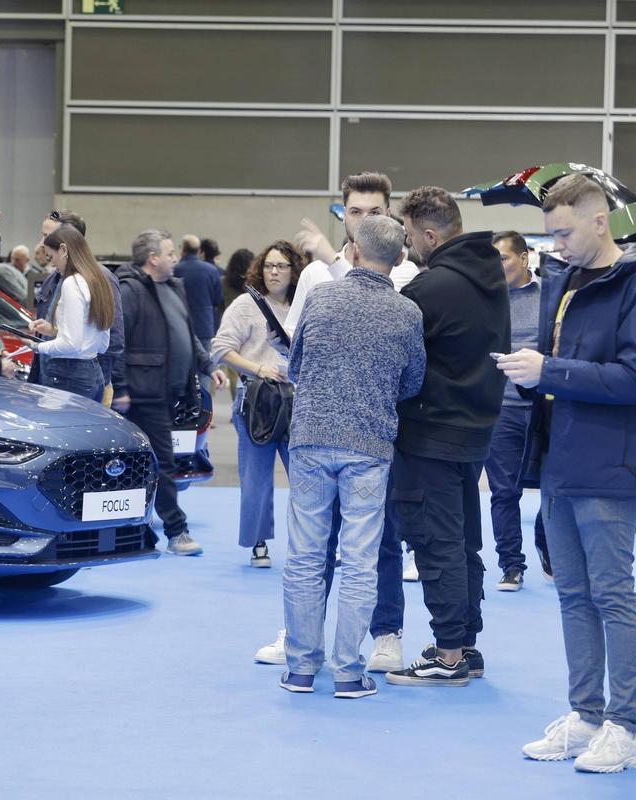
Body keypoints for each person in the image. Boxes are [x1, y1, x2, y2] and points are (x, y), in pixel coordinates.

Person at [500, 175, 636, 773]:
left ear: (600, 222)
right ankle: (586, 715)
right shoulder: (563, 282)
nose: (554, 245)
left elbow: (631, 378)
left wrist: (549, 371)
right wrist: (531, 373)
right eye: (549, 235)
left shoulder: (630, 284)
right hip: (557, 464)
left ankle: (626, 725)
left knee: (613, 598)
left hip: (610, 469)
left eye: (563, 233)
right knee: (573, 597)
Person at [278, 215, 426, 699]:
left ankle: (301, 668)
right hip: (369, 446)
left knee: (305, 556)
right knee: (361, 562)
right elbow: (413, 382)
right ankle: (347, 671)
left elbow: (296, 363)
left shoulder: (321, 296)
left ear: (354, 250)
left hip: (311, 439)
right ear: (400, 258)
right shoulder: (407, 312)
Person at [383, 186, 509, 688]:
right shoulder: (491, 276)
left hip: (430, 433)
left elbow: (396, 358)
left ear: (431, 235)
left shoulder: (429, 288)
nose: (410, 244)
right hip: (474, 431)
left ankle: (449, 654)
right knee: (463, 543)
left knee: (436, 543)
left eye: (411, 234)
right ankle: (465, 644)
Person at [112, 229, 228, 556]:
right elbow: (117, 342)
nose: (175, 258)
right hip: (142, 393)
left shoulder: (174, 287)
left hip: (170, 393)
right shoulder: (130, 291)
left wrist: (209, 366)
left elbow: (188, 336)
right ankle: (177, 531)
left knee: (151, 464)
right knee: (160, 463)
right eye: (169, 253)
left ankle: (139, 530)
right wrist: (121, 388)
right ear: (153, 259)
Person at [211, 241, 303, 567]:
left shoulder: (304, 305)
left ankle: (307, 545)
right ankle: (258, 543)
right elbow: (220, 349)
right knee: (256, 480)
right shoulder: (245, 305)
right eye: (269, 266)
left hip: (297, 401)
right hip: (256, 402)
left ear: (294, 271)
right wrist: (258, 368)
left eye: (281, 266)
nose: (274, 272)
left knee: (304, 478)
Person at [484, 231, 548, 590]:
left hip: (544, 408)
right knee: (504, 492)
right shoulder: (486, 301)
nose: (496, 267)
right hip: (502, 409)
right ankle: (512, 565)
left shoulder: (548, 296)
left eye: (503, 258)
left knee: (553, 489)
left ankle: (546, 543)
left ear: (524, 259)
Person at [289, 172, 419, 337]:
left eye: (374, 213)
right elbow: (294, 332)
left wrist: (332, 260)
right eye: (356, 212)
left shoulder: (404, 270)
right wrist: (283, 341)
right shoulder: (314, 272)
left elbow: (374, 312)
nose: (365, 220)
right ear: (344, 215)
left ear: (387, 216)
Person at [30, 210, 124, 404]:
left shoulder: (80, 281)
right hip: (77, 374)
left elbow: (112, 342)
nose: (42, 243)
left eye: (48, 237)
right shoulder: (57, 279)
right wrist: (53, 330)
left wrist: (37, 347)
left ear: (66, 244)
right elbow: (97, 338)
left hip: (70, 376)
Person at [174, 234, 225, 353]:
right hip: (205, 325)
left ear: (183, 250)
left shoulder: (176, 270)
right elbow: (218, 299)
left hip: (181, 325)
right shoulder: (212, 270)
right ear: (199, 250)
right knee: (205, 361)